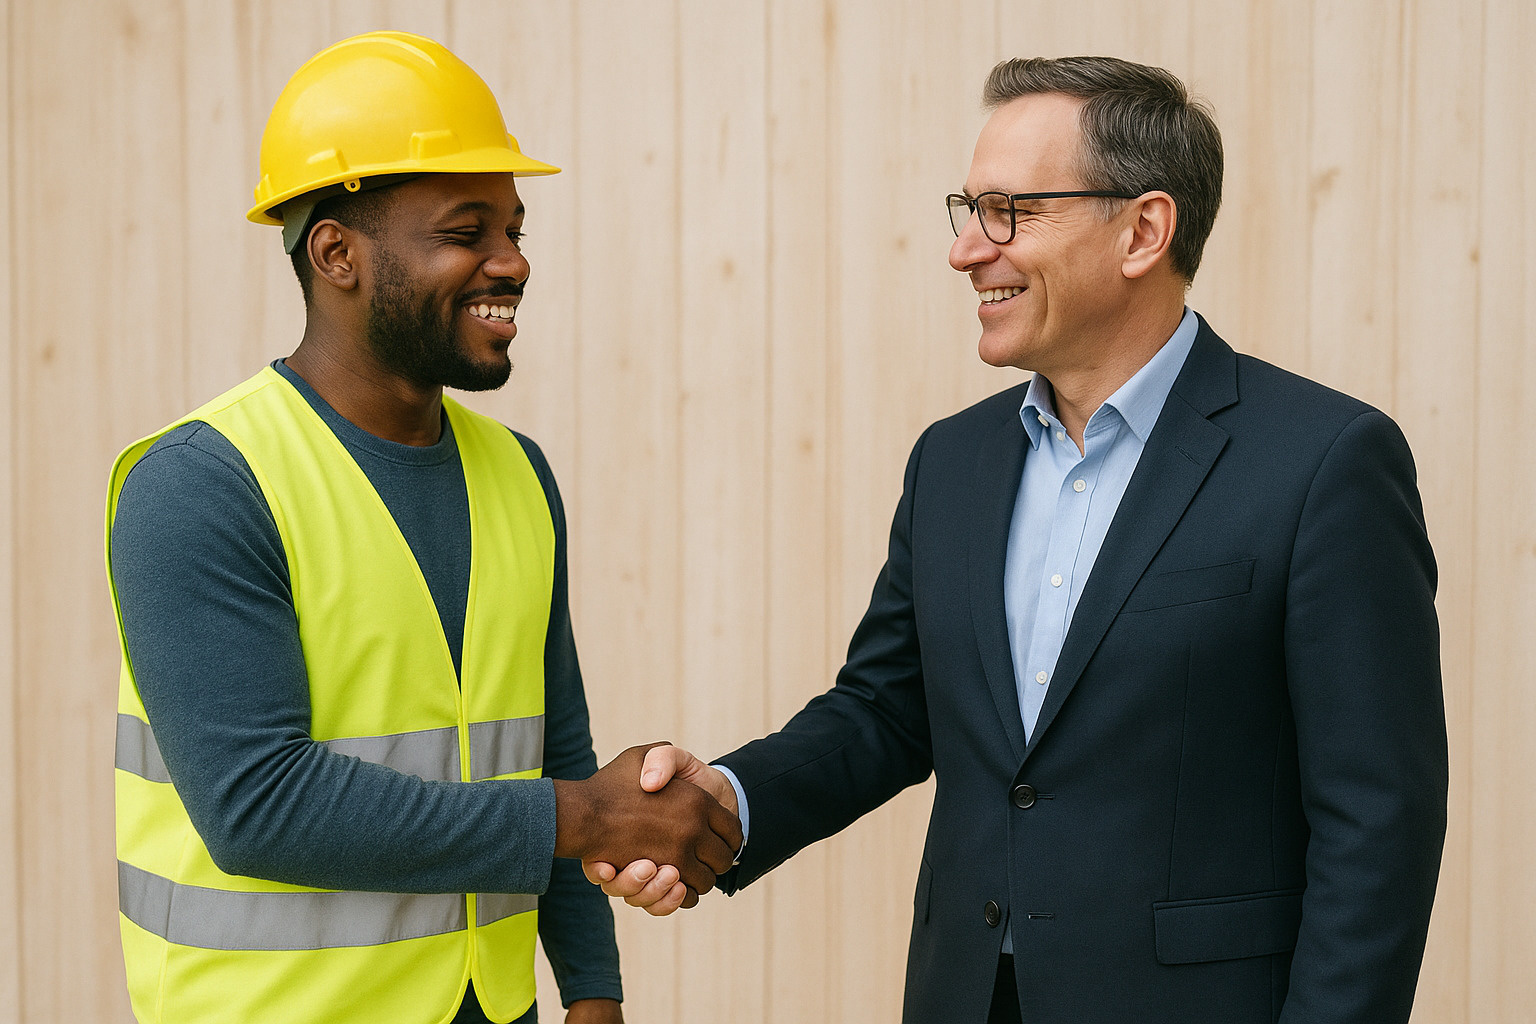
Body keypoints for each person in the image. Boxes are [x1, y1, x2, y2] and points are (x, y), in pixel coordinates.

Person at [589, 56, 1447, 1023]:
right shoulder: (953, 461)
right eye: (968, 208)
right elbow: (885, 711)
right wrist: (727, 802)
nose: (965, 250)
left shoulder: (1325, 461)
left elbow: (1380, 823)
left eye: (1010, 212)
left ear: (1143, 231)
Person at [105, 32, 739, 1024]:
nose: (512, 260)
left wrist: (592, 991)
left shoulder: (517, 473)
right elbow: (256, 804)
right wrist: (589, 816)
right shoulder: (200, 483)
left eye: (515, 227)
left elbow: (555, 748)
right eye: (466, 229)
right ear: (336, 253)